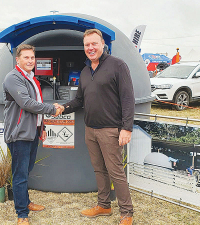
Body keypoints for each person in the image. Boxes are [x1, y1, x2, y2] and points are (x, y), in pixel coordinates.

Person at [55, 29, 135, 225]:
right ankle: (104, 206)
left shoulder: (118, 66)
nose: (90, 48)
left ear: (102, 45)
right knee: (99, 170)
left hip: (111, 130)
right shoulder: (84, 71)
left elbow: (128, 98)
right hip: (90, 129)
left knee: (115, 171)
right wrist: (63, 107)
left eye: (94, 44)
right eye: (87, 45)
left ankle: (127, 213)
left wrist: (127, 128)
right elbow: (79, 100)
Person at [3, 44, 61, 225]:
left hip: (32, 132)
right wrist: (53, 109)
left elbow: (37, 105)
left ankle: (26, 202)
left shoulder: (31, 78)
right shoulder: (13, 78)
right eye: (26, 57)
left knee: (25, 171)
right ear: (17, 59)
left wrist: (41, 127)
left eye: (32, 58)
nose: (30, 61)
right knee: (20, 174)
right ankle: (21, 214)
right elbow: (27, 103)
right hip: (19, 133)